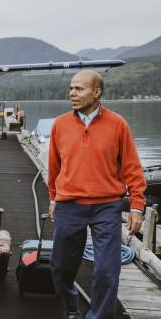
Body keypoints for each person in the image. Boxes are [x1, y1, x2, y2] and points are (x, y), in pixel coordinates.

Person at [48, 70, 146, 319]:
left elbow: (132, 168)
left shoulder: (118, 124)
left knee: (106, 270)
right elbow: (54, 167)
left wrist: (137, 205)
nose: (72, 93)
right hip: (69, 205)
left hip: (107, 206)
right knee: (60, 267)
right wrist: (53, 198)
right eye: (71, 88)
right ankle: (71, 304)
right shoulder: (60, 124)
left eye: (79, 89)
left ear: (97, 91)